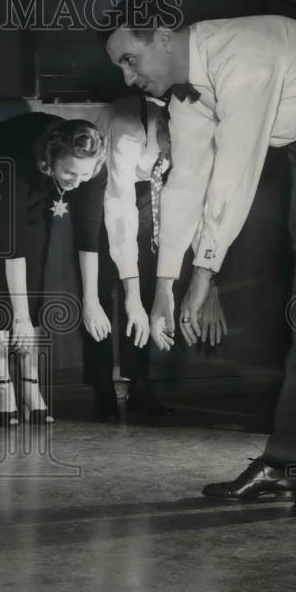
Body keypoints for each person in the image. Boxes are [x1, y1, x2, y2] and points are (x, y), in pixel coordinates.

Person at [102, 12, 296, 516]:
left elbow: (235, 172)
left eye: (130, 60)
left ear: (162, 37)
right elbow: (185, 185)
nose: (127, 77)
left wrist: (203, 276)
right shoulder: (186, 93)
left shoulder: (243, 52)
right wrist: (164, 286)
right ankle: (285, 463)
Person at [88, 96, 225, 420]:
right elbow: (119, 205)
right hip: (103, 185)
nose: (173, 153)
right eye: (170, 145)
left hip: (150, 189)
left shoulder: (191, 141)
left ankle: (140, 386)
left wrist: (209, 285)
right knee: (103, 290)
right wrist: (130, 293)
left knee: (150, 283)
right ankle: (101, 388)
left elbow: (199, 212)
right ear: (163, 126)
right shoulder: (126, 129)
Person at [0, 113, 107, 425]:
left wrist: (91, 301)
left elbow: (89, 236)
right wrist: (19, 316)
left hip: (39, 173)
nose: (77, 183)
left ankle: (30, 385)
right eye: (70, 173)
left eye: (84, 175)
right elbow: (13, 244)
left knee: (35, 272)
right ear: (51, 161)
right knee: (0, 275)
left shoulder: (91, 172)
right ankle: (2, 384)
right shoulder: (20, 164)